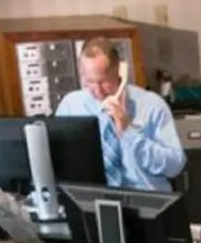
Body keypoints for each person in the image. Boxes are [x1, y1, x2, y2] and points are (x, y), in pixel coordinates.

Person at [54, 35, 185, 193]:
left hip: (146, 201)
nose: (97, 90)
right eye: (90, 81)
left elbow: (175, 166)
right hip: (92, 201)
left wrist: (128, 132)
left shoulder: (151, 105)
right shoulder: (71, 106)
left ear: (119, 71)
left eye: (103, 81)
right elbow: (56, 161)